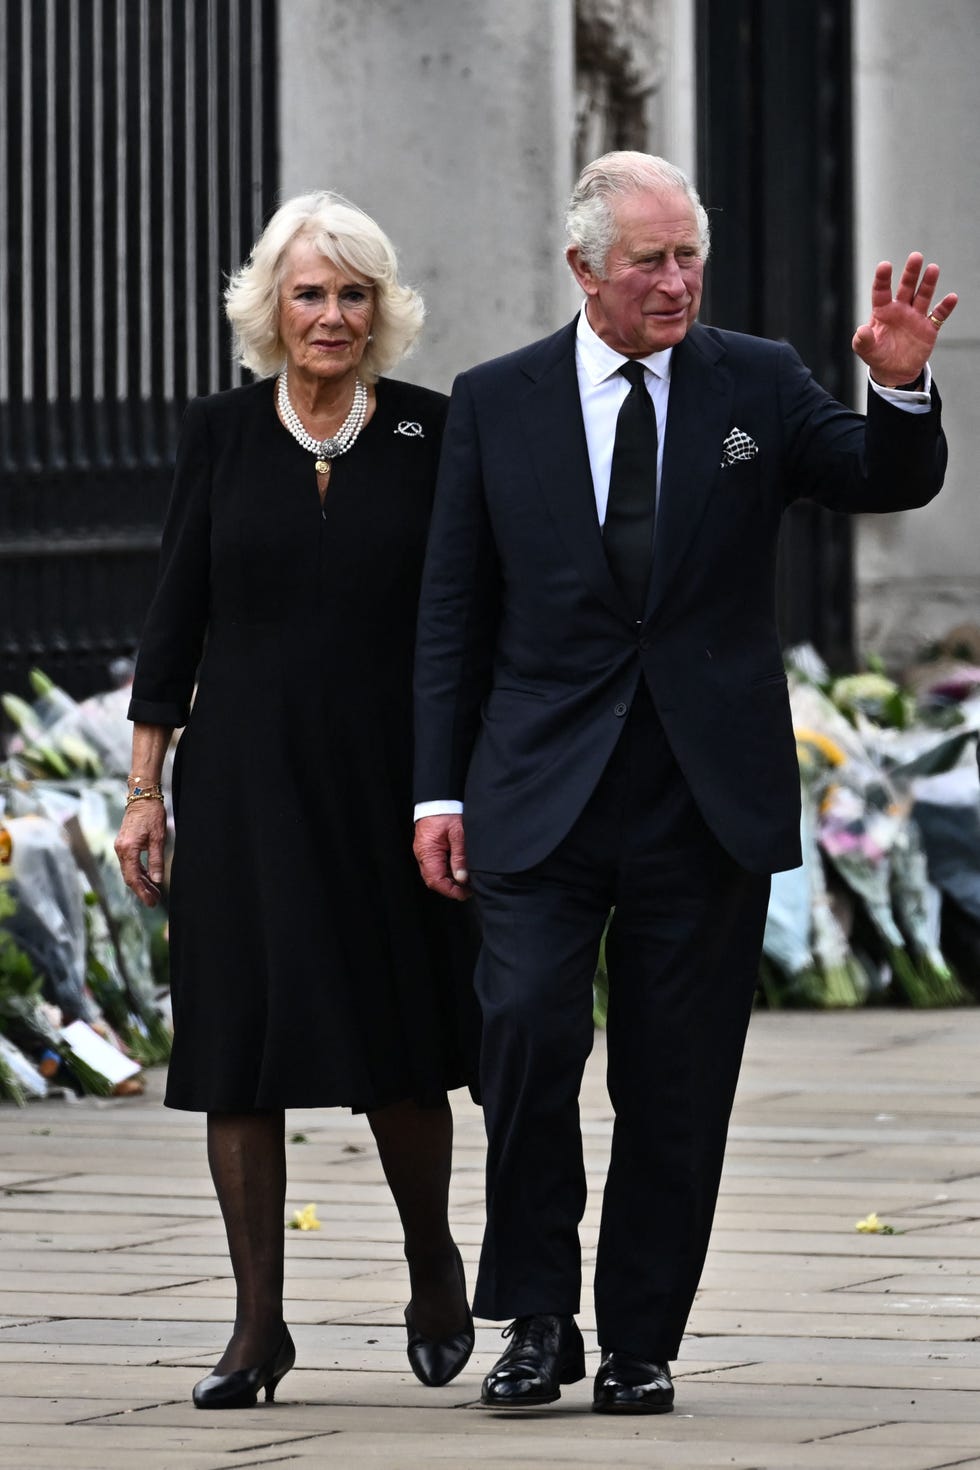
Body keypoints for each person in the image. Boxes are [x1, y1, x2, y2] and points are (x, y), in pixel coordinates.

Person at [413, 151, 957, 1415]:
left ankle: (639, 1337)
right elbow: (450, 617)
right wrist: (436, 793)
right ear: (583, 272)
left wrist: (899, 385)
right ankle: (535, 1318)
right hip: (536, 790)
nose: (675, 281)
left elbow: (884, 478)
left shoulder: (753, 380)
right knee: (528, 1040)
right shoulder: (497, 402)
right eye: (650, 261)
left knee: (674, 1079)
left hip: (698, 797)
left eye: (687, 256)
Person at [115, 191, 479, 1409]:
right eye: (311, 292)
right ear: (272, 305)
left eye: (354, 293)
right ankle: (255, 1327)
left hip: (387, 784)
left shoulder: (437, 431)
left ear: (383, 309)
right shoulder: (220, 432)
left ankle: (433, 1267)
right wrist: (143, 787)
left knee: (395, 1046)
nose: (332, 314)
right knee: (237, 1052)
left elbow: (472, 616)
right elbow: (175, 615)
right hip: (245, 779)